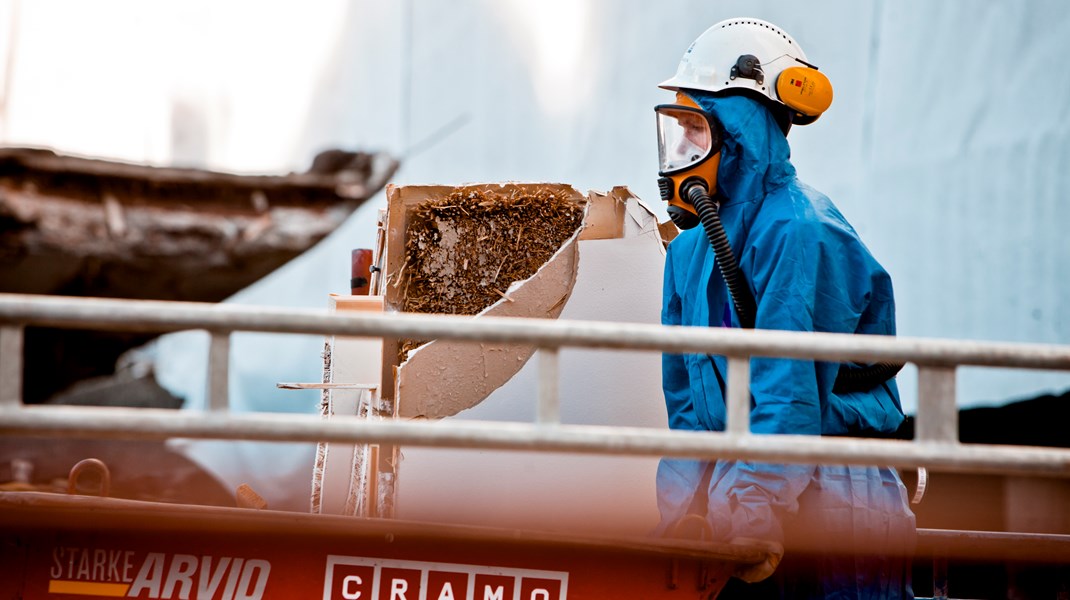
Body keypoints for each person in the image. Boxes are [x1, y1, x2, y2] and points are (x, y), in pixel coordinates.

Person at [654, 17, 916, 599]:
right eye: (677, 131)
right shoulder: (690, 251)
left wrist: (750, 512)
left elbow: (789, 393)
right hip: (750, 491)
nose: (680, 152)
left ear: (740, 131)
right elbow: (689, 409)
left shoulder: (797, 230)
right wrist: (678, 517)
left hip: (833, 493)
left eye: (697, 130)